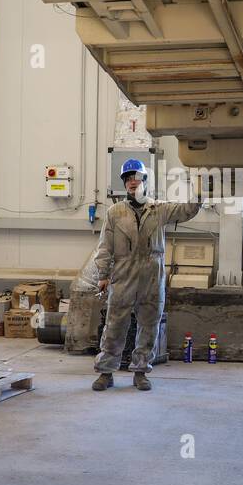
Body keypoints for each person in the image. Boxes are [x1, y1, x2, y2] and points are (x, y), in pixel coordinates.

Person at [92, 159, 200, 391]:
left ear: (145, 181)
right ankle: (106, 372)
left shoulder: (159, 209)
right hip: (123, 276)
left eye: (137, 177)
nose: (133, 181)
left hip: (152, 275)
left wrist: (198, 191)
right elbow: (104, 247)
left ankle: (140, 371)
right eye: (128, 178)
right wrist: (103, 275)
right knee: (114, 325)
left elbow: (187, 210)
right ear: (124, 183)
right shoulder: (115, 213)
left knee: (149, 325)